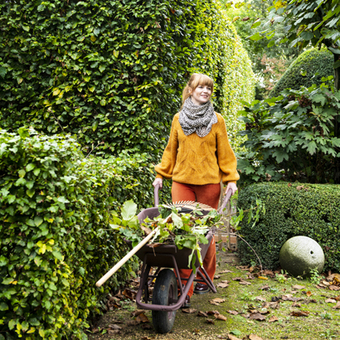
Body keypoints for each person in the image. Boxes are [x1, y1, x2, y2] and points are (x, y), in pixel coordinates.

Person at [152, 73, 239, 307]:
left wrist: (231, 178)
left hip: (209, 184)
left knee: (205, 234)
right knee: (183, 235)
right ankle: (183, 286)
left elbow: (225, 153)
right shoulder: (178, 119)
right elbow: (171, 150)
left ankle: (203, 277)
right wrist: (161, 175)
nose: (205, 91)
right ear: (190, 90)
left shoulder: (217, 120)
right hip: (182, 183)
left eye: (209, 88)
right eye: (200, 87)